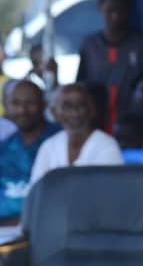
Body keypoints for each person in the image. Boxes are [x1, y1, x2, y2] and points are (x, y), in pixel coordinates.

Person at [76, 0, 143, 132]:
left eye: (121, 10)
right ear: (100, 7)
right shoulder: (90, 45)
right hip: (96, 125)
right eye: (110, 10)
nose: (116, 16)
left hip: (131, 126)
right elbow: (81, 83)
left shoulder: (139, 45)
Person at [30, 83, 123, 184]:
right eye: (67, 106)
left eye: (81, 105)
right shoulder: (49, 146)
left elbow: (109, 188)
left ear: (92, 110)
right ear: (54, 113)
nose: (75, 112)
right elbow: (37, 188)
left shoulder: (107, 145)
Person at [0, 81, 59, 225]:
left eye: (30, 103)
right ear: (5, 106)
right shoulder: (5, 147)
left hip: (45, 228)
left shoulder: (60, 141)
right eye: (16, 103)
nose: (22, 110)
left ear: (43, 105)